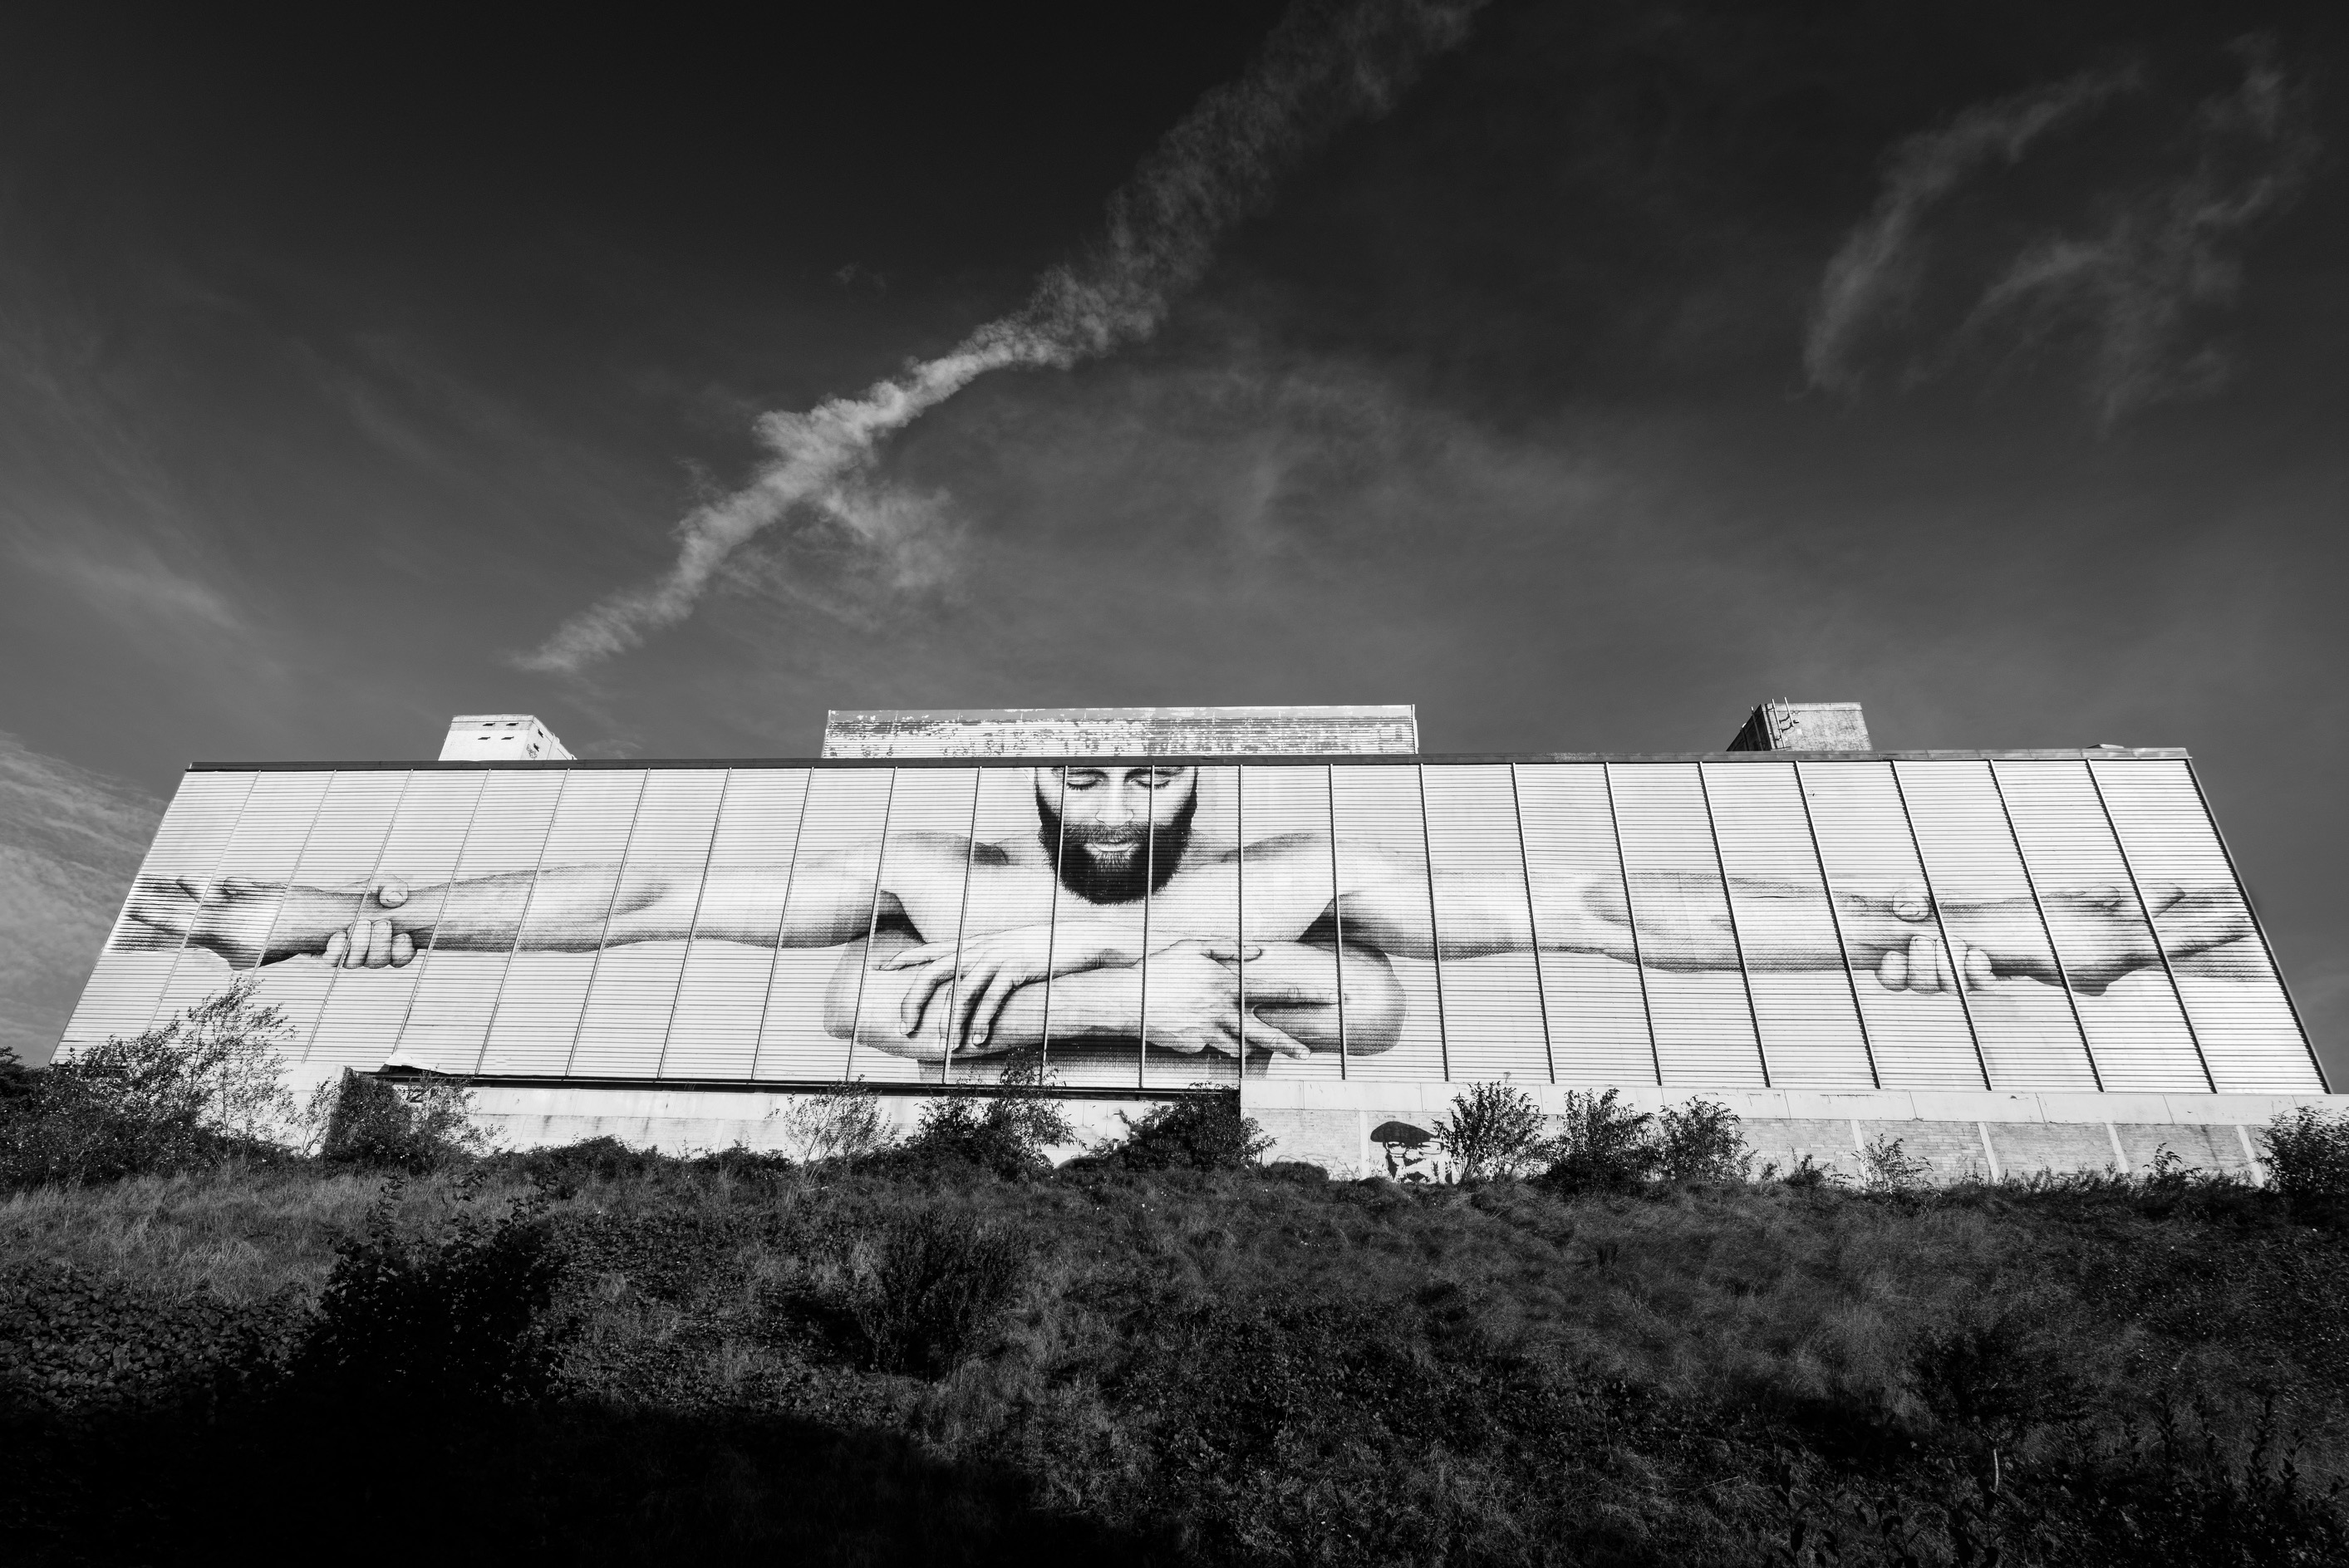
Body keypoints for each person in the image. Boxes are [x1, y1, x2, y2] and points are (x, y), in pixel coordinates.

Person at [122, 764, 2254, 1064]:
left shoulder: (1282, 874)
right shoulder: (934, 871)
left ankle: (2015, 936)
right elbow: (645, 889)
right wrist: (360, 907)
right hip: (959, 1012)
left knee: (1345, 981)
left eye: (1152, 779)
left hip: (1241, 994)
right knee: (884, 994)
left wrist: (1923, 921)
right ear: (1043, 798)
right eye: (1089, 781)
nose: (1117, 795)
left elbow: (1600, 906)